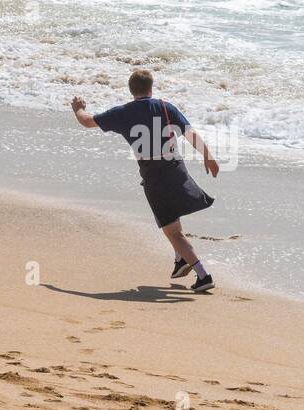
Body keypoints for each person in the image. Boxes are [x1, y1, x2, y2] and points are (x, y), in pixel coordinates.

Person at [71, 69, 219, 292]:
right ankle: (180, 260)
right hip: (176, 168)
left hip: (153, 175)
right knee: (173, 215)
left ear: (131, 91)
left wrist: (78, 108)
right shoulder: (166, 107)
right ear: (151, 87)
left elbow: (87, 121)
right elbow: (191, 134)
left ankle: (203, 275)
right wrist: (208, 157)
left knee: (172, 231)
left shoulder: (123, 113)